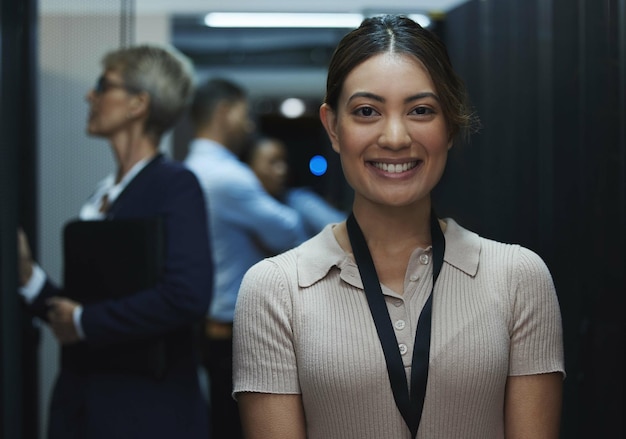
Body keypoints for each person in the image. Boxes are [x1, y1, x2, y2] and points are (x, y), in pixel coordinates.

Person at [232, 14, 565, 439]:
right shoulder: (275, 289)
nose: (394, 136)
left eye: (421, 110)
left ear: (449, 126)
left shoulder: (519, 277)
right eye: (367, 111)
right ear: (333, 127)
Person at [18, 44, 213, 439]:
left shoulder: (175, 185)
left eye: (102, 86)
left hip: (144, 411)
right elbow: (81, 307)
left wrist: (83, 321)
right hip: (86, 405)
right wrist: (28, 277)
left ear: (137, 104)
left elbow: (187, 295)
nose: (91, 96)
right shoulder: (104, 193)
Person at [183, 78, 309, 439]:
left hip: (207, 324)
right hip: (237, 329)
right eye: (244, 113)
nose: (250, 123)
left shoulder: (189, 169)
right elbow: (290, 232)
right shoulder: (230, 177)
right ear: (224, 113)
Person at [241, 135, 346, 238]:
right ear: (250, 168)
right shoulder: (242, 209)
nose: (282, 170)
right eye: (273, 162)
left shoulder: (301, 201)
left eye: (284, 161)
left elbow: (344, 232)